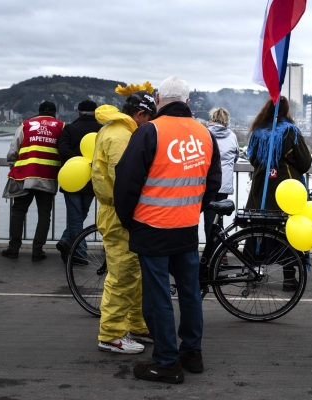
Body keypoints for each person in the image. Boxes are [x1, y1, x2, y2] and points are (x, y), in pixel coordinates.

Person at [114, 76, 221, 384]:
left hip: (152, 227)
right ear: (187, 102)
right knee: (190, 293)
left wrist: (128, 221)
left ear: (159, 98)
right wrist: (193, 211)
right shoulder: (204, 133)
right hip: (187, 228)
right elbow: (212, 183)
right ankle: (192, 354)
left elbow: (126, 182)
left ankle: (166, 362)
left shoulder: (150, 131)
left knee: (157, 296)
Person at [92, 84, 156, 355]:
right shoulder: (121, 135)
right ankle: (111, 335)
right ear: (141, 114)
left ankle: (137, 324)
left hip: (118, 211)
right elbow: (124, 180)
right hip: (121, 213)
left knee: (134, 273)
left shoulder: (116, 130)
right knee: (122, 275)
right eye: (150, 119)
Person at [1, 101, 64, 261]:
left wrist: (14, 162)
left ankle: (13, 249)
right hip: (48, 177)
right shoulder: (61, 127)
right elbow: (64, 151)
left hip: (24, 176)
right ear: (54, 113)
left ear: (39, 112)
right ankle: (37, 251)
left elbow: (12, 152)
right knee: (44, 214)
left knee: (18, 212)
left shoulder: (26, 125)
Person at [56, 100, 103, 264]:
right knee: (81, 213)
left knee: (76, 215)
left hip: (72, 177)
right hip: (92, 179)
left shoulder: (69, 128)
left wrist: (75, 161)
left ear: (79, 112)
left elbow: (62, 149)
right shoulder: (102, 130)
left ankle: (68, 243)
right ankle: (78, 250)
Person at [245, 96, 312, 211]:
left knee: (259, 225)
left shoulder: (257, 132)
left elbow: (252, 158)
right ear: (286, 110)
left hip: (261, 189)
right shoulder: (291, 131)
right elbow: (305, 163)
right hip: (286, 191)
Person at [203, 107, 239, 241]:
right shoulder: (232, 136)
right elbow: (235, 156)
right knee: (219, 217)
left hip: (208, 182)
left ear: (212, 118)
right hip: (224, 183)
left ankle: (211, 251)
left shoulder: (205, 133)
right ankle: (221, 251)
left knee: (209, 218)